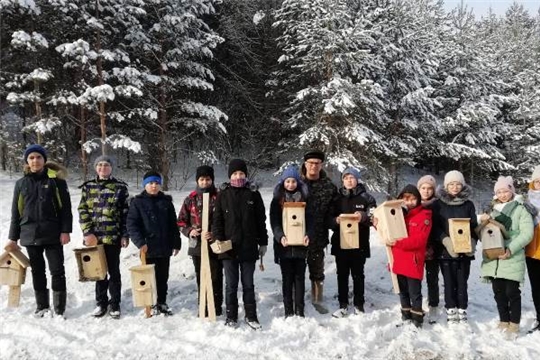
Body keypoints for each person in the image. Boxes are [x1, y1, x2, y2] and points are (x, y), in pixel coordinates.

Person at [7, 144, 72, 317]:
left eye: (38, 157)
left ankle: (59, 308)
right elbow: (16, 212)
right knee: (38, 271)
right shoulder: (21, 184)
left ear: (44, 160)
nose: (35, 161)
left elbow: (66, 209)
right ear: (27, 161)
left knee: (57, 270)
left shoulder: (56, 181)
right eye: (31, 158)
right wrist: (13, 238)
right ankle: (42, 306)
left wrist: (65, 231)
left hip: (52, 233)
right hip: (30, 235)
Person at [212, 159, 268, 329]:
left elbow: (261, 221)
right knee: (230, 285)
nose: (238, 176)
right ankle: (231, 316)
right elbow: (217, 220)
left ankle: (251, 316)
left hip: (249, 248)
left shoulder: (253, 194)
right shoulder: (223, 195)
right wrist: (219, 238)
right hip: (228, 249)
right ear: (230, 176)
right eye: (235, 174)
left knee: (248, 284)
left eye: (241, 173)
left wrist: (263, 242)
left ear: (246, 175)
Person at [479, 176, 534, 335]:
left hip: (512, 256)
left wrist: (510, 249)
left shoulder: (521, 209)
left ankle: (514, 324)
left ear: (512, 190)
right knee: (498, 291)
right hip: (494, 257)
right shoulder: (492, 210)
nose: (503, 194)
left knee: (512, 292)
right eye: (499, 192)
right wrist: (482, 221)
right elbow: (486, 231)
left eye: (506, 191)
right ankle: (503, 319)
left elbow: (527, 233)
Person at [78, 155, 130, 319]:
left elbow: (125, 213)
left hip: (113, 238)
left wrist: (124, 234)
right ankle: (101, 303)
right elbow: (83, 210)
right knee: (99, 272)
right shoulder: (88, 187)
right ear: (95, 168)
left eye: (106, 165)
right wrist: (87, 232)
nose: (103, 168)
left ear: (111, 168)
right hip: (95, 239)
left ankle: (115, 304)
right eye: (100, 165)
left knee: (114, 272)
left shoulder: (120, 187)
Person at [127, 171, 181, 316]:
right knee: (149, 277)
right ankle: (149, 302)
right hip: (147, 247)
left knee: (162, 277)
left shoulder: (166, 202)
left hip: (164, 246)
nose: (154, 186)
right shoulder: (137, 202)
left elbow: (173, 225)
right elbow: (132, 225)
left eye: (157, 183)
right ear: (145, 185)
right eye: (151, 183)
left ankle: (161, 302)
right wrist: (140, 243)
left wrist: (176, 243)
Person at [431, 170, 478, 323]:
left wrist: (472, 241)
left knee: (462, 280)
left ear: (462, 186)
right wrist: (445, 241)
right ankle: (450, 308)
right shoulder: (438, 205)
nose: (455, 187)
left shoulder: (468, 204)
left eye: (458, 184)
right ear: (446, 186)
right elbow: (435, 227)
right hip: (446, 250)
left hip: (465, 251)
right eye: (451, 184)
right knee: (449, 281)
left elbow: (474, 226)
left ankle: (462, 308)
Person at [329, 167, 376, 318]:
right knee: (341, 274)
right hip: (340, 243)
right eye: (346, 178)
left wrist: (363, 216)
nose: (349, 181)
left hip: (359, 243)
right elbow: (328, 220)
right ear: (342, 180)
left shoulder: (366, 198)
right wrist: (335, 221)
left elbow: (374, 217)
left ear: (357, 179)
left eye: (352, 178)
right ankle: (343, 305)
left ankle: (359, 304)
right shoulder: (336, 198)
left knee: (358, 274)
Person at [177, 165, 223, 316]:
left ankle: (215, 307)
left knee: (215, 276)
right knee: (201, 275)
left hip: (214, 243)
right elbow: (181, 221)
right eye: (202, 179)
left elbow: (225, 219)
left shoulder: (219, 197)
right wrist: (191, 231)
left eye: (208, 179)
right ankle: (202, 305)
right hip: (196, 244)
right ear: (197, 181)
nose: (205, 182)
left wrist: (214, 234)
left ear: (212, 180)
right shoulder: (190, 199)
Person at [387, 185, 432, 328]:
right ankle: (405, 315)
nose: (409, 202)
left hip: (413, 260)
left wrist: (397, 243)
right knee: (403, 291)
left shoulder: (424, 216)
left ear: (418, 200)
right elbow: (388, 229)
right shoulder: (397, 214)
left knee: (414, 292)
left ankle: (417, 318)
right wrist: (377, 224)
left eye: (413, 199)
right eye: (406, 199)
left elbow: (419, 240)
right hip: (399, 259)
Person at [270, 165, 310, 318]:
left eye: (293, 181)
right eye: (287, 181)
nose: (291, 184)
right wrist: (280, 237)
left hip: (301, 246)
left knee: (299, 278)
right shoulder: (277, 201)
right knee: (287, 278)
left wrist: (308, 235)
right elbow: (274, 222)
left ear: (298, 182)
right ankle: (288, 310)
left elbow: (310, 220)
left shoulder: (305, 199)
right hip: (284, 247)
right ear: (283, 182)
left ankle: (300, 310)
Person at [300, 150, 338, 307]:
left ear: (321, 165)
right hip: (298, 236)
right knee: (296, 269)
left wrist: (335, 222)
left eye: (317, 163)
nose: (313, 166)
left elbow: (334, 211)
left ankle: (317, 298)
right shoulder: (296, 183)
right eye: (310, 163)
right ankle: (298, 298)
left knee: (317, 270)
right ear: (305, 164)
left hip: (319, 236)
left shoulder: (329, 186)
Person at [417, 175, 440, 323]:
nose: (426, 191)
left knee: (432, 278)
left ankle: (433, 304)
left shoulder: (438, 205)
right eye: (423, 188)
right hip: (417, 247)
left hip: (433, 247)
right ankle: (417, 304)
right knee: (416, 278)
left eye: (429, 188)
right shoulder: (413, 203)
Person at [526, 166, 540, 333]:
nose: (539, 184)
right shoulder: (527, 201)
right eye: (536, 181)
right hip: (532, 249)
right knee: (536, 286)